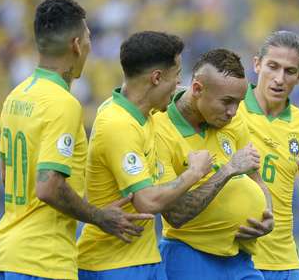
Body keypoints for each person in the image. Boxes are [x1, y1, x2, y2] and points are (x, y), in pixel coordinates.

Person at [0, 0, 149, 280]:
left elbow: (8, 174)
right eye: (88, 38)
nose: (89, 46)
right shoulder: (62, 103)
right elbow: (49, 187)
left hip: (7, 254)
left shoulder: (16, 96)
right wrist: (98, 216)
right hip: (43, 259)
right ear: (76, 44)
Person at [76, 31, 213, 280]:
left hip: (143, 260)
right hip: (113, 266)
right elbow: (146, 202)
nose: (179, 82)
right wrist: (194, 172)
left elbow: (185, 96)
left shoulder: (147, 113)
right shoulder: (118, 124)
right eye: (176, 74)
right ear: (157, 77)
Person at [155, 48, 274, 280]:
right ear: (198, 89)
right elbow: (175, 214)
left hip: (240, 258)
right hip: (189, 256)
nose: (233, 112)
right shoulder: (160, 128)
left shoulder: (232, 120)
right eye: (227, 102)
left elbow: (255, 178)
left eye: (239, 103)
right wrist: (228, 170)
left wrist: (268, 214)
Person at [238, 30, 299, 280]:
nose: (279, 79)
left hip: (283, 263)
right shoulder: (231, 110)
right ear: (257, 64)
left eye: (289, 71)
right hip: (235, 258)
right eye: (273, 66)